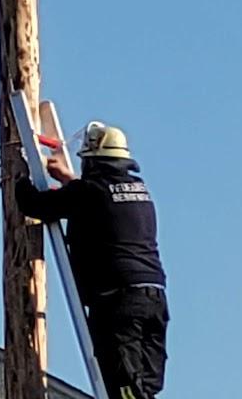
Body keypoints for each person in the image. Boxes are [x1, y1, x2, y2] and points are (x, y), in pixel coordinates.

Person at [15, 122, 169, 399]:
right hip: (154, 298)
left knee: (123, 384)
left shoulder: (88, 192)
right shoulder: (138, 190)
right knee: (144, 384)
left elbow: (35, 205)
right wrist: (67, 181)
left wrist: (18, 176)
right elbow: (97, 200)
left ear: (93, 162)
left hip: (117, 301)